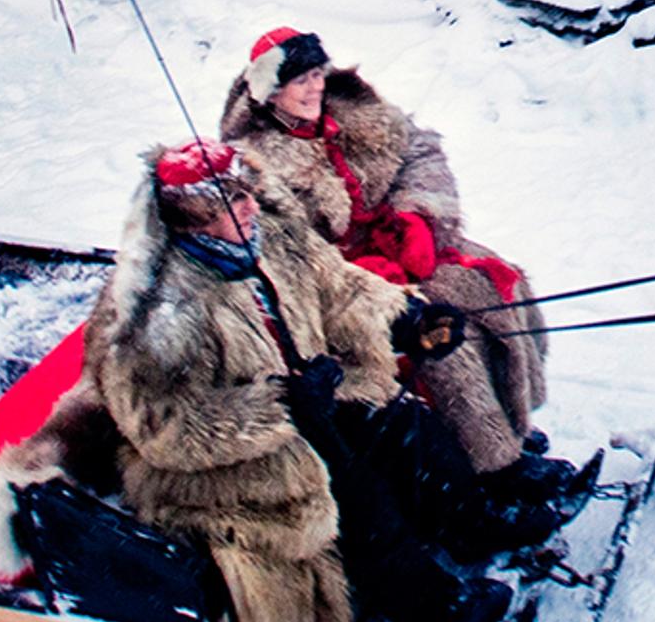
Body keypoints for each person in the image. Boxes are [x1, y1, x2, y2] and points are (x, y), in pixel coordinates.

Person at [0, 145, 575, 622]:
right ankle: (438, 618)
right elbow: (164, 427)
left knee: (399, 422)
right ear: (190, 222)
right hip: (215, 463)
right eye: (227, 206)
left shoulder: (271, 238)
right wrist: (280, 406)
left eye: (244, 196)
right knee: (344, 484)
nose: (245, 211)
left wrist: (403, 320)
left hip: (307, 404)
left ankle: (469, 521)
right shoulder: (156, 313)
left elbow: (339, 289)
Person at [220, 27, 557, 480]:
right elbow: (288, 249)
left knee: (496, 285)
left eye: (319, 74)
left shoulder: (357, 112)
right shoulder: (254, 161)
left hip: (399, 242)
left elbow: (421, 154)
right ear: (271, 91)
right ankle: (491, 464)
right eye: (301, 80)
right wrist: (359, 269)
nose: (316, 86)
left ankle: (512, 424)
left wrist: (416, 215)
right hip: (343, 282)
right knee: (439, 335)